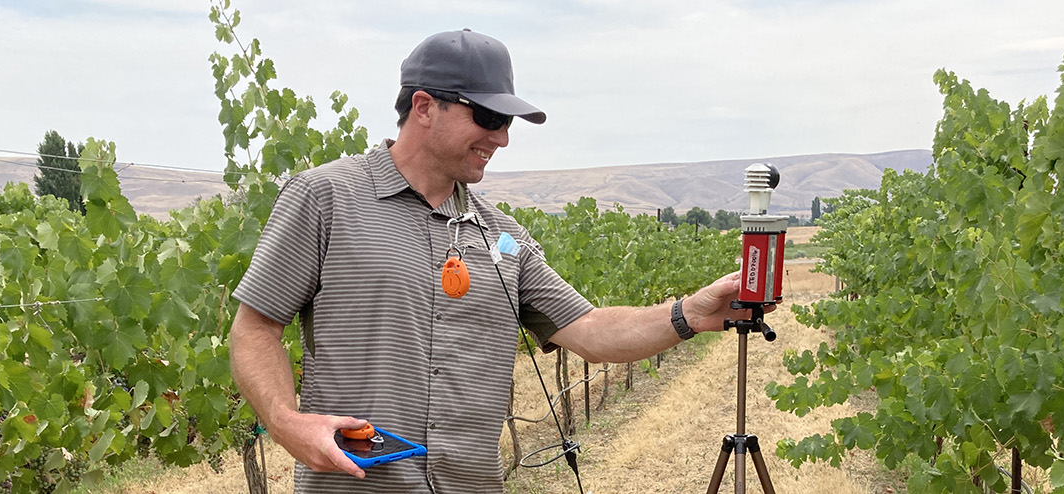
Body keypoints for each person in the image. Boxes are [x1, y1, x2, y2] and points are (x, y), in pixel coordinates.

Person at [228, 29, 765, 493]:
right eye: (487, 116)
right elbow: (254, 328)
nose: (503, 138)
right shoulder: (324, 198)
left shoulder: (503, 236)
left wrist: (688, 315)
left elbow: (592, 330)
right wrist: (285, 421)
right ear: (423, 107)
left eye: (508, 122)